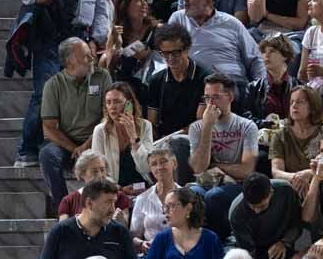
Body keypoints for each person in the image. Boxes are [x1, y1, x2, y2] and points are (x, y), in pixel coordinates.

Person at [6, 0, 112, 168]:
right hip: (50, 34)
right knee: (45, 91)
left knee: (82, 94)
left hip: (80, 37)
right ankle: (27, 149)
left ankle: (72, 149)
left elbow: (100, 6)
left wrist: (97, 38)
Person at [32, 38, 114, 210]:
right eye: (86, 56)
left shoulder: (102, 76)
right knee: (47, 155)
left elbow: (109, 116)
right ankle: (64, 206)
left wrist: (86, 145)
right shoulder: (53, 85)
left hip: (97, 137)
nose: (92, 58)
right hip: (66, 145)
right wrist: (74, 148)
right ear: (70, 62)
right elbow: (48, 128)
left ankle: (109, 201)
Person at [188, 73, 260, 238]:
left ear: (230, 97)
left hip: (237, 184)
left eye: (216, 97)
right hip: (206, 181)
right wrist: (207, 127)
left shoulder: (247, 126)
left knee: (214, 196)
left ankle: (221, 240)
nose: (210, 103)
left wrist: (217, 165)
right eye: (207, 98)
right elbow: (199, 167)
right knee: (191, 194)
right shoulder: (197, 128)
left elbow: (247, 170)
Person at [144, 23, 212, 178]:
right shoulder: (157, 81)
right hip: (162, 142)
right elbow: (151, 122)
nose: (170, 59)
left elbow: (200, 123)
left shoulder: (204, 78)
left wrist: (171, 138)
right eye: (165, 54)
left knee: (178, 144)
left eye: (175, 53)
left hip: (192, 141)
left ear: (187, 49)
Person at [229, 173, 302, 259]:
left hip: (280, 241)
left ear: (271, 193)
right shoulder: (236, 212)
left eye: (261, 207)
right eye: (252, 207)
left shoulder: (286, 192)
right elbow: (248, 254)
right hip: (250, 246)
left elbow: (296, 224)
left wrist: (284, 242)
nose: (256, 211)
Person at [90, 83, 155, 193]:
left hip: (141, 186)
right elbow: (97, 170)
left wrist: (134, 137)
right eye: (108, 102)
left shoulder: (145, 126)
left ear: (129, 103)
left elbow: (146, 167)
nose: (112, 107)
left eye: (117, 101)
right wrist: (119, 189)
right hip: (112, 188)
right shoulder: (100, 130)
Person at [101, 0, 160, 102]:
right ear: (125, 5)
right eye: (138, 1)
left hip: (149, 84)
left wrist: (147, 55)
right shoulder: (116, 31)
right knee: (103, 59)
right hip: (124, 85)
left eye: (145, 0)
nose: (144, 4)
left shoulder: (156, 29)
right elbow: (109, 67)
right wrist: (117, 45)